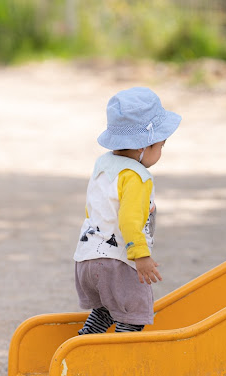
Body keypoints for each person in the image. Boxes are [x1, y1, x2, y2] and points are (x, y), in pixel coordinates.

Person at [74, 87, 181, 335]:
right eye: (161, 146)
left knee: (104, 311)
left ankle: (85, 345)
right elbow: (130, 220)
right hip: (118, 264)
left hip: (86, 260)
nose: (161, 152)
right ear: (147, 145)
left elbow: (94, 207)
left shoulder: (102, 164)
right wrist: (140, 255)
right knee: (133, 318)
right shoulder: (136, 176)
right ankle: (117, 358)